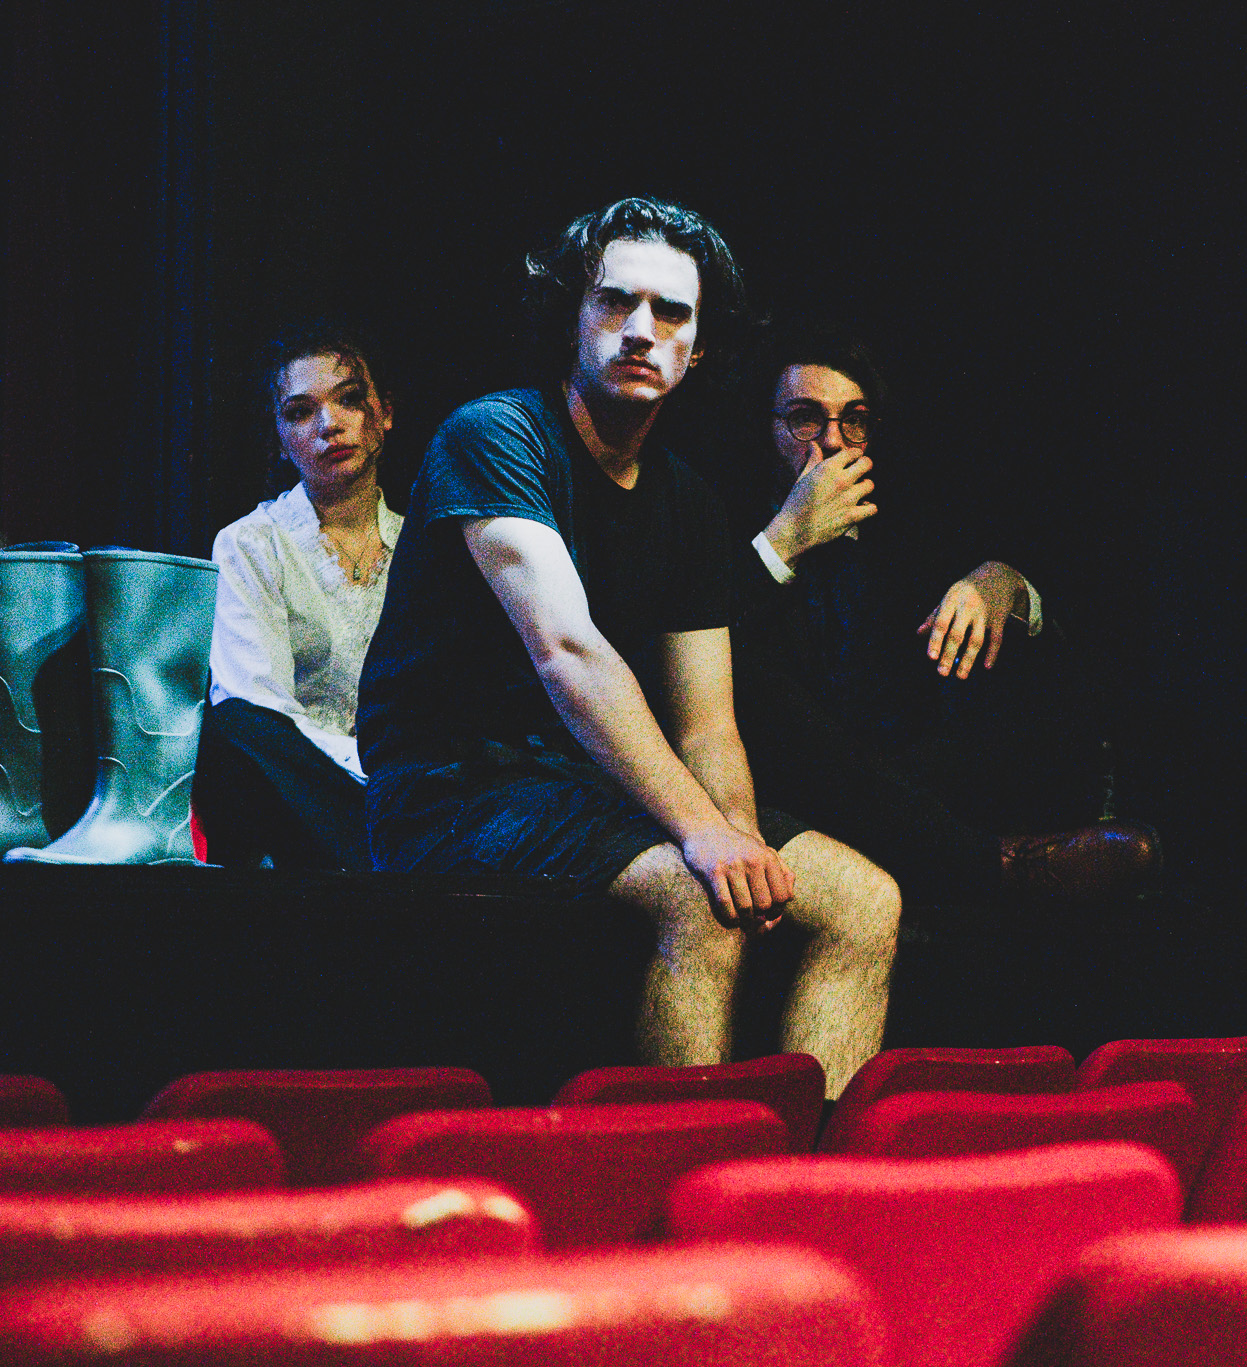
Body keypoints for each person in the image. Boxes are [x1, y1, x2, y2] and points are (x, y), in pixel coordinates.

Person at [356, 199, 900, 1094]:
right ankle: (685, 1170)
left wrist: (739, 836)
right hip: (453, 788)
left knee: (865, 901)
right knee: (699, 897)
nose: (642, 330)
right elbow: (568, 651)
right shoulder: (494, 435)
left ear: (698, 348)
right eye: (616, 301)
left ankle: (807, 1167)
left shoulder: (688, 501)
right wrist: (704, 837)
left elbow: (708, 723)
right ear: (574, 314)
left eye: (672, 312)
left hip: (586, 784)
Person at [700, 318, 1160, 908]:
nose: (833, 442)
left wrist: (1001, 582)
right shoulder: (722, 520)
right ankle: (997, 868)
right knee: (757, 686)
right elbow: (696, 643)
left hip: (905, 766)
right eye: (805, 418)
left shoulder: (906, 521)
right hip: (795, 777)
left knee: (1018, 648)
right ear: (766, 428)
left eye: (854, 420)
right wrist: (787, 538)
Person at [198, 321, 399, 870]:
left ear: (384, 414)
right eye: (300, 412)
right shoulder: (250, 543)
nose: (330, 424)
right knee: (237, 726)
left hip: (412, 789)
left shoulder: (424, 545)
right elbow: (255, 708)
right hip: (303, 793)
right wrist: (369, 772)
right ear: (280, 442)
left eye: (349, 400)